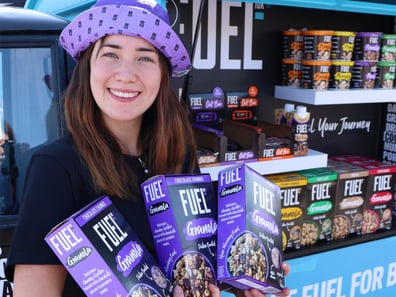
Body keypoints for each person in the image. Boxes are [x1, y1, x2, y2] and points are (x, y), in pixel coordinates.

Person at [5, 1, 290, 296]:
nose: (126, 74)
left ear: (162, 74)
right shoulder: (55, 167)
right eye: (111, 54)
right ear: (88, 65)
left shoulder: (180, 155)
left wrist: (239, 279)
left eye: (145, 58)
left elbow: (192, 263)